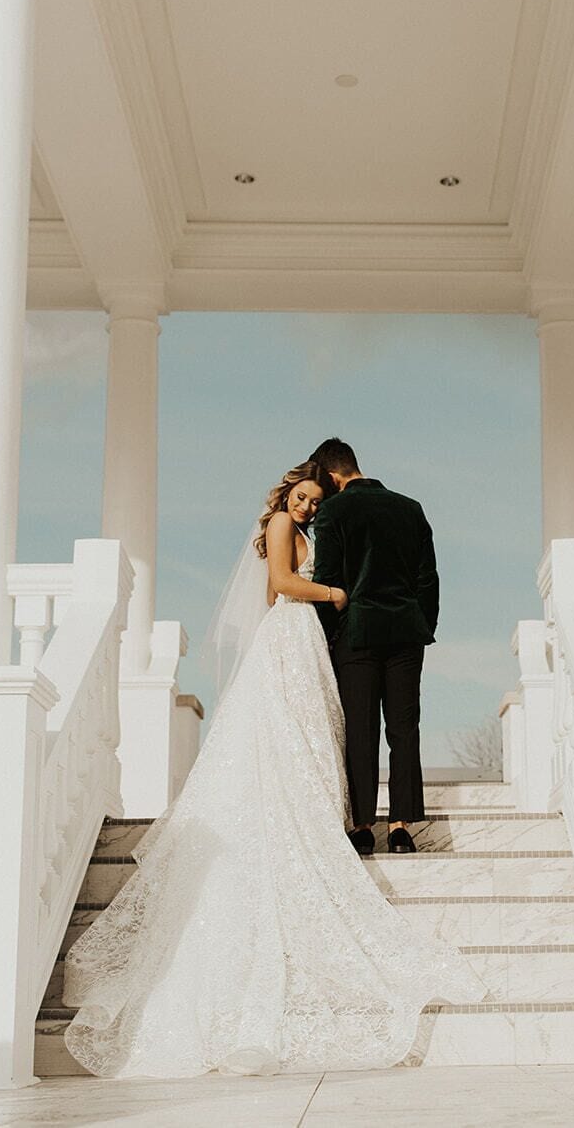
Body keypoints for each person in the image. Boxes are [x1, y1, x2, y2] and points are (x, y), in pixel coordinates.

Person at [61, 460, 481, 1078]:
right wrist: (335, 593)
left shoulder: (316, 524)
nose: (310, 507)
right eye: (304, 497)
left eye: (315, 499)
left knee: (320, 733)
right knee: (310, 727)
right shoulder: (285, 524)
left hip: (312, 638)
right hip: (292, 632)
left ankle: (342, 815)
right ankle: (351, 819)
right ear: (288, 493)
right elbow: (280, 586)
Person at [306, 438, 438, 856]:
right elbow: (427, 579)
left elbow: (328, 578)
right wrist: (421, 626)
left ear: (330, 476)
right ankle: (400, 827)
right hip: (406, 632)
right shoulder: (410, 507)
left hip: (356, 633)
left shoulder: (333, 511)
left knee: (360, 731)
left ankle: (363, 825)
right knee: (403, 729)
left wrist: (329, 639)